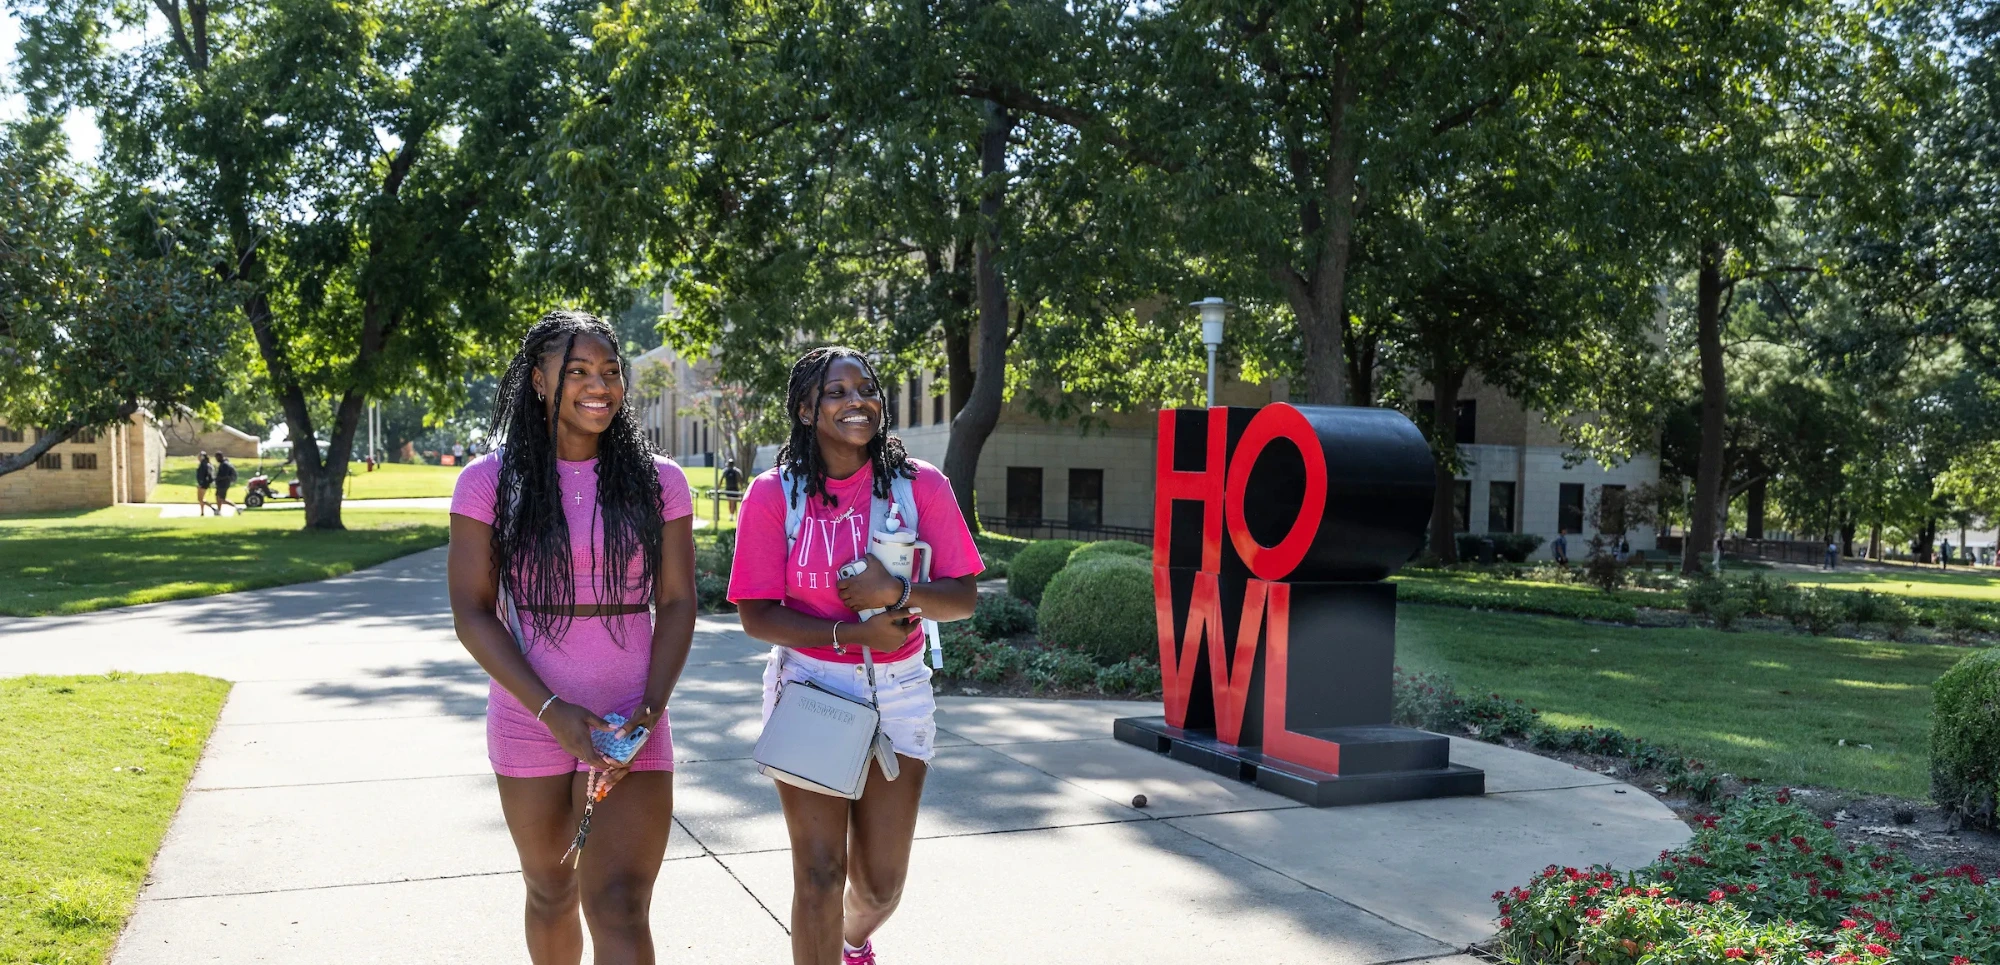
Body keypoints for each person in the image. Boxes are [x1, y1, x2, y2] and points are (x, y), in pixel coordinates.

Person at [445, 311, 698, 965]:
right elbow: (473, 613)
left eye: (610, 371)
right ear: (537, 380)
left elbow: (675, 601)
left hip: (632, 719)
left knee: (618, 902)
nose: (599, 385)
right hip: (532, 715)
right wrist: (552, 711)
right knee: (552, 888)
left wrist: (651, 706)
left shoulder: (659, 481)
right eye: (578, 370)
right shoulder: (487, 483)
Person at [728, 347, 982, 965]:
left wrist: (894, 593)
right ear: (806, 408)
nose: (856, 402)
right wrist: (850, 636)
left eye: (865, 389)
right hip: (813, 687)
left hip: (898, 690)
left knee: (879, 886)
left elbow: (964, 598)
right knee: (818, 876)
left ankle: (851, 941)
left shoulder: (921, 486)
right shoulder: (774, 495)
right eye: (836, 393)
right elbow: (756, 616)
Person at [194, 451, 215, 516]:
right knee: (201, 499)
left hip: (203, 484)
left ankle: (213, 509)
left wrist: (200, 483)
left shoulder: (203, 465)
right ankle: (202, 512)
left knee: (200, 499)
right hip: (204, 483)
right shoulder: (206, 464)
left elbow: (202, 475)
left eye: (199, 456)